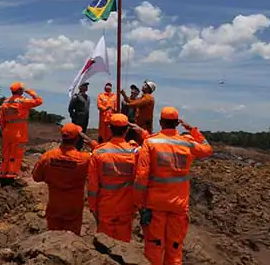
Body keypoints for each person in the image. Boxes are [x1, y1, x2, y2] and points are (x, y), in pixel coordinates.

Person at [134, 107, 213, 265]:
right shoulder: (188, 142)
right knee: (175, 247)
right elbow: (207, 149)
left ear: (160, 122)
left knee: (154, 245)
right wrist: (193, 130)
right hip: (178, 205)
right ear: (177, 123)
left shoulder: (150, 143)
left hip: (155, 204)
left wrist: (139, 203)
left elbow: (142, 176)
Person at [87, 114, 139, 242]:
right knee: (123, 245)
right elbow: (141, 179)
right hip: (127, 205)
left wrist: (93, 207)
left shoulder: (99, 152)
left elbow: (92, 185)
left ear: (109, 129)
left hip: (105, 205)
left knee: (105, 244)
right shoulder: (135, 153)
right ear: (127, 130)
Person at [32, 123, 91, 235]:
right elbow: (101, 154)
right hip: (74, 206)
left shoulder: (48, 156)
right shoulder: (84, 159)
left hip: (55, 204)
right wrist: (92, 143)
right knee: (71, 239)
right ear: (77, 138)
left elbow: (36, 177)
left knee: (53, 238)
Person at [0, 82, 43, 182]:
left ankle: (3, 172)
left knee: (6, 153)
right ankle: (12, 174)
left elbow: (1, 118)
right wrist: (29, 91)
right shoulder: (23, 102)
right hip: (18, 132)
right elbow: (39, 101)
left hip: (7, 131)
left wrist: (4, 129)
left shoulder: (5, 102)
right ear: (19, 90)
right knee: (16, 153)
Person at [68, 82, 91, 151]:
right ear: (80, 87)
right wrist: (74, 118)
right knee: (76, 135)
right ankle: (73, 150)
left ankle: (79, 149)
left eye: (87, 86)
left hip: (85, 119)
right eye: (84, 86)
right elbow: (70, 108)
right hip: (77, 120)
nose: (86, 87)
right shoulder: (76, 96)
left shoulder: (88, 97)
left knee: (82, 135)